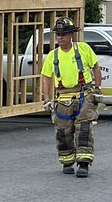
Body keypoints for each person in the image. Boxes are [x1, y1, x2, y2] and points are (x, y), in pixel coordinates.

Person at [40, 17, 103, 177]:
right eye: (58, 34)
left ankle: (83, 163)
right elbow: (46, 78)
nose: (60, 37)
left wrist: (97, 88)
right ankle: (67, 161)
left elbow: (96, 67)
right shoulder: (53, 56)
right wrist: (47, 99)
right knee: (63, 132)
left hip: (84, 96)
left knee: (84, 130)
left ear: (71, 35)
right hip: (62, 99)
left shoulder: (83, 49)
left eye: (64, 34)